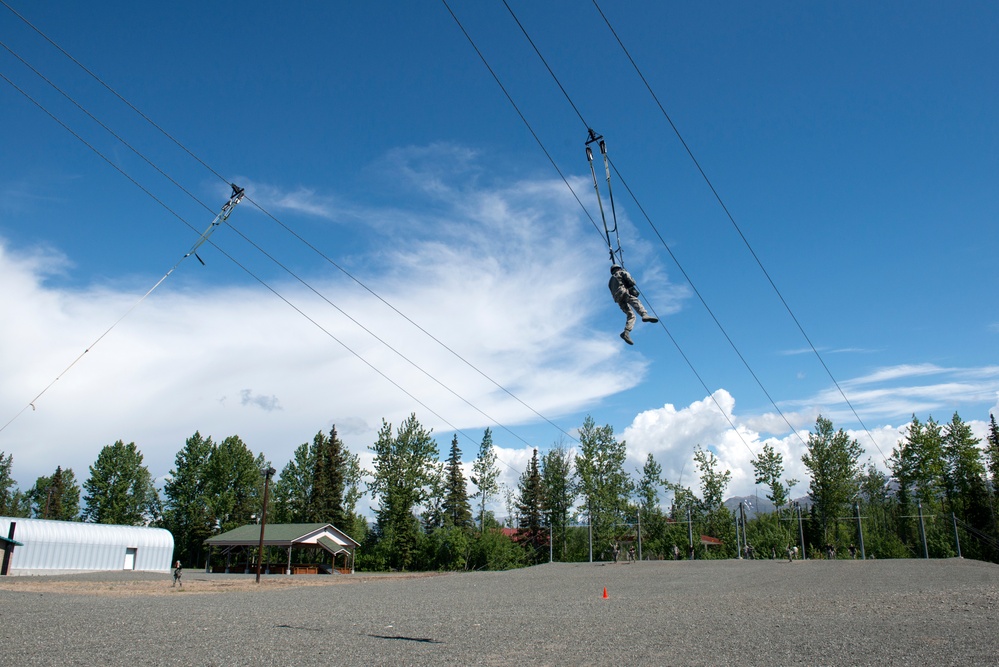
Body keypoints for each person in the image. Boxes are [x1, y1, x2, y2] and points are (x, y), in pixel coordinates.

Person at [608, 265, 657, 345]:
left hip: (618, 299)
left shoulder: (610, 281)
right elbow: (632, 282)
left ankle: (626, 332)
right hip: (623, 292)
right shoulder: (621, 272)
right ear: (618, 268)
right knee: (635, 301)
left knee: (631, 315)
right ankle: (644, 315)